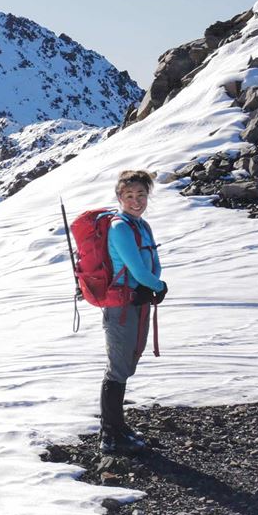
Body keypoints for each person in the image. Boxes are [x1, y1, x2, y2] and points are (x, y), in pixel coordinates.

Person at [100, 170, 167, 455]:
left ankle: (119, 426)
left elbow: (153, 261)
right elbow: (139, 269)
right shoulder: (120, 227)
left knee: (127, 364)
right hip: (121, 305)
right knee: (117, 367)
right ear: (119, 197)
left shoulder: (142, 225)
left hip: (138, 301)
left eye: (141, 195)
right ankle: (109, 434)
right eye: (129, 196)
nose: (136, 201)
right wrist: (159, 285)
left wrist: (153, 285)